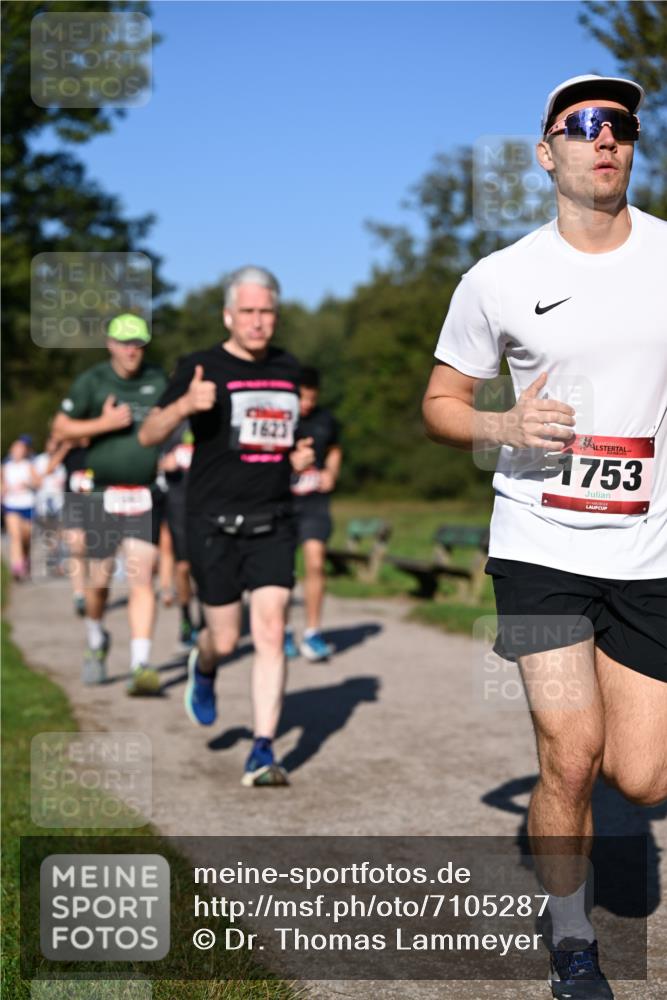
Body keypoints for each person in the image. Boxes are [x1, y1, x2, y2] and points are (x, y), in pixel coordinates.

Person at [422, 75, 666, 1000]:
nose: (604, 139)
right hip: (537, 550)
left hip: (648, 551)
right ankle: (571, 941)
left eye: (621, 126)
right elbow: (439, 404)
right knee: (569, 754)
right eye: (583, 125)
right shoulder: (500, 278)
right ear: (546, 151)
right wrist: (503, 426)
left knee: (641, 780)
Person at [139, 265, 315, 786]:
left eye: (267, 312)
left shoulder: (288, 368)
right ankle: (207, 663)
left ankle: (263, 749)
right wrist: (183, 407)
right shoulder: (199, 366)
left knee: (270, 627)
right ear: (228, 315)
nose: (259, 322)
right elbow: (149, 433)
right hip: (212, 522)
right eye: (249, 312)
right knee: (226, 636)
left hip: (274, 517)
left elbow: (290, 439)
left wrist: (301, 457)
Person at [52, 314, 168, 693]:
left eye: (138, 342)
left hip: (144, 493)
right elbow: (61, 429)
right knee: (98, 583)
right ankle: (97, 638)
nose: (132, 349)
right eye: (124, 342)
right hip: (102, 494)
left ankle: (141, 666)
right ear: (110, 344)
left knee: (141, 578)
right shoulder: (93, 381)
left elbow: (175, 423)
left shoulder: (158, 379)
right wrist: (103, 424)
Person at [285, 366, 342, 661]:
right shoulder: (279, 419)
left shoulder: (325, 420)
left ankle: (312, 633)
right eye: (300, 397)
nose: (306, 403)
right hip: (282, 504)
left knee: (316, 563)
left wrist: (331, 471)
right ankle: (282, 630)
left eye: (311, 397)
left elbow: (334, 449)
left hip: (314, 503)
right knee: (283, 571)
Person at [1, 435, 37, 580]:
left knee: (26, 538)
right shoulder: (5, 467)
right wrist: (4, 489)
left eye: (21, 449)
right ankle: (17, 566)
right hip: (11, 505)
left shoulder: (29, 466)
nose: (18, 451)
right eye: (16, 448)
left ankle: (25, 559)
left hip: (27, 505)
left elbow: (38, 483)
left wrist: (27, 484)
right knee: (15, 536)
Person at [33, 431, 68, 576]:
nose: (53, 446)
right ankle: (54, 561)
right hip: (45, 504)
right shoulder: (40, 460)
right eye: (51, 443)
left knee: (60, 535)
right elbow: (38, 479)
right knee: (49, 536)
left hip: (61, 502)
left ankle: (57, 561)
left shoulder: (64, 463)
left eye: (56, 444)